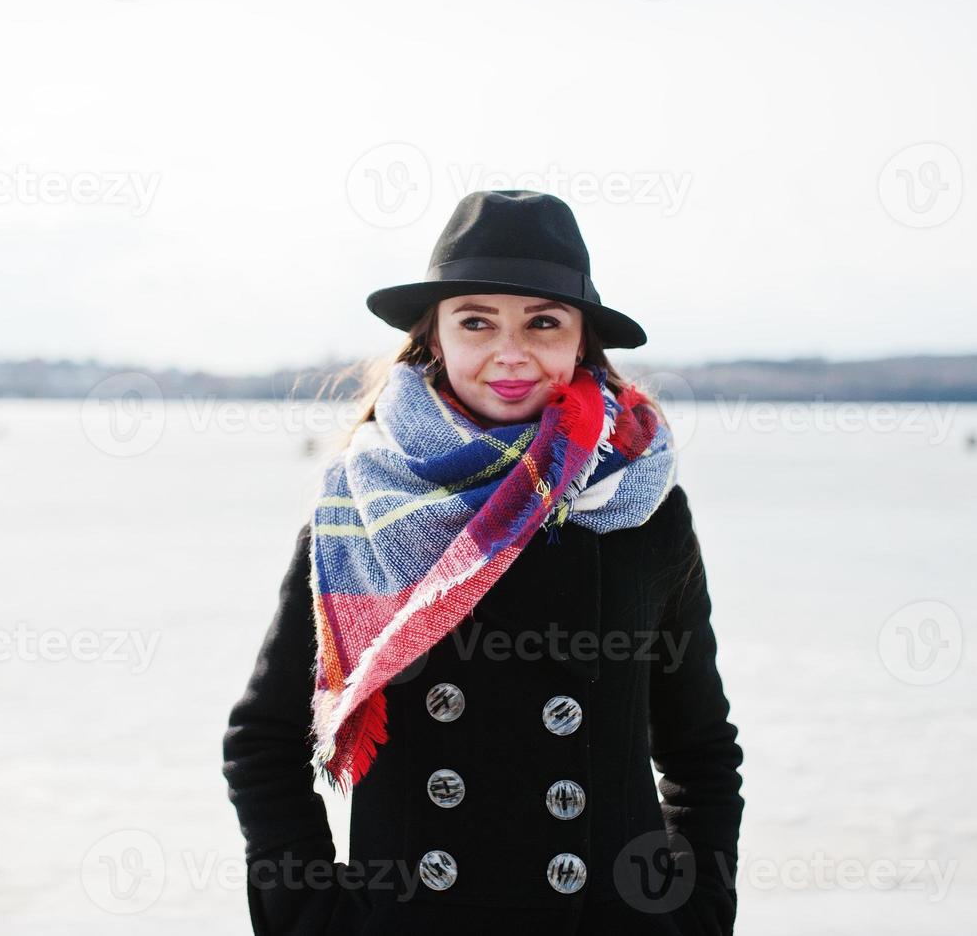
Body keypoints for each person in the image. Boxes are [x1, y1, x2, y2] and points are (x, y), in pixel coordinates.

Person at [222, 190, 744, 935]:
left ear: (580, 343)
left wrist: (693, 914)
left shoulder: (640, 503)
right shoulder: (361, 505)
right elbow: (265, 747)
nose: (510, 351)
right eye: (476, 321)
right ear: (432, 338)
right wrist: (316, 919)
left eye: (542, 322)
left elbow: (698, 750)